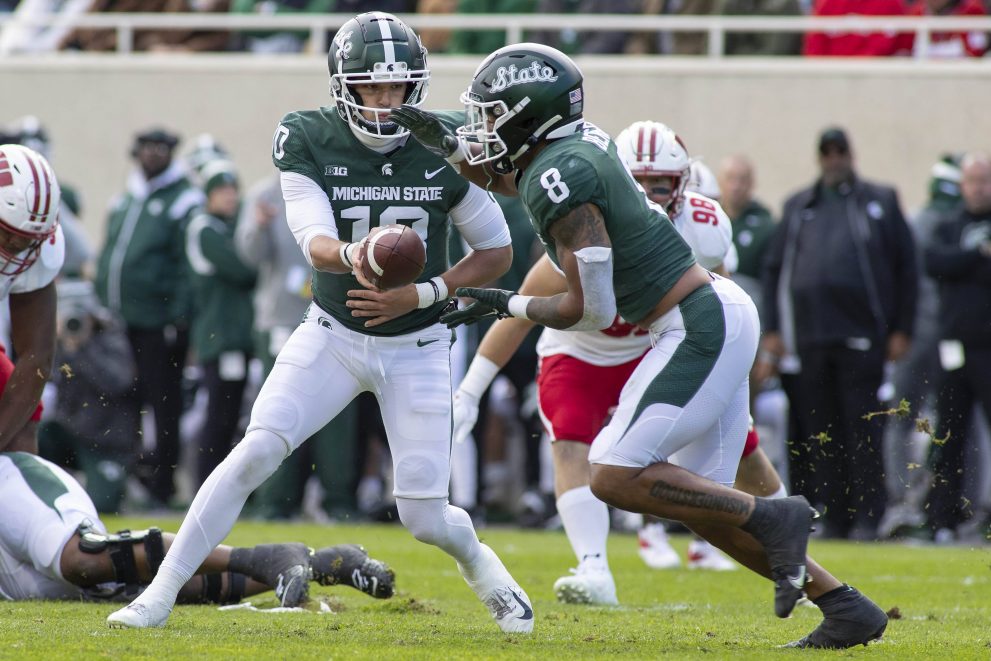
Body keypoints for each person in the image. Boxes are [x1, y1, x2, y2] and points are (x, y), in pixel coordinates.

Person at [392, 43, 888, 648]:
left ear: (527, 117)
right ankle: (845, 607)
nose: (482, 130)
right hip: (708, 315)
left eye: (492, 116)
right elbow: (496, 171)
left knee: (610, 472)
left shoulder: (561, 179)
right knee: (703, 510)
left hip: (696, 322)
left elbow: (592, 310)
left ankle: (773, 514)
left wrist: (502, 303)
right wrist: (436, 135)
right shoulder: (560, 153)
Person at [108, 12, 533, 634]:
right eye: (372, 87)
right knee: (254, 451)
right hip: (332, 333)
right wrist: (356, 256)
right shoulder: (307, 135)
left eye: (399, 87)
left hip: (417, 342)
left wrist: (423, 292)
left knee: (423, 517)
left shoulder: (442, 142)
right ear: (343, 85)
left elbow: (497, 251)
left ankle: (483, 565)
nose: (387, 102)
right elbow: (311, 237)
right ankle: (160, 594)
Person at [759, 127, 918, 540]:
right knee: (820, 432)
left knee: (862, 427)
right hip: (811, 338)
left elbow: (907, 268)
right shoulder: (799, 205)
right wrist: (774, 327)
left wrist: (901, 328)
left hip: (864, 336)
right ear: (818, 158)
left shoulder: (878, 201)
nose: (834, 160)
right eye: (826, 153)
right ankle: (832, 514)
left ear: (851, 154)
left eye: (839, 152)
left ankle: (869, 514)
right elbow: (775, 269)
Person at [0, 450, 395, 604]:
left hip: (11, 482)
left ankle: (265, 557)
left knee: (81, 559)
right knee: (137, 588)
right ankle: (321, 563)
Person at [234, 174, 361, 520]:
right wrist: (259, 227)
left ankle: (338, 502)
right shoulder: (266, 193)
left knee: (338, 414)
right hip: (281, 320)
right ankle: (275, 502)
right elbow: (249, 256)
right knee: (279, 410)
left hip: (337, 315)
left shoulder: (343, 185)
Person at [95, 127, 203, 506]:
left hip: (157, 321)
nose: (153, 155)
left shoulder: (182, 200)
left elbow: (185, 264)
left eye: (161, 148)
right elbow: (110, 252)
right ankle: (126, 473)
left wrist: (177, 316)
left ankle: (163, 480)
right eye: (147, 148)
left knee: (163, 400)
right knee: (121, 397)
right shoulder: (125, 198)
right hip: (118, 320)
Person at [922, 152, 991, 541]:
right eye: (972, 181)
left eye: (984, 180)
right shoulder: (950, 224)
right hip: (953, 347)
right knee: (949, 435)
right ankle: (941, 518)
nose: (978, 188)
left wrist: (964, 265)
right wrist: (977, 256)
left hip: (988, 347)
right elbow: (935, 262)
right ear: (962, 185)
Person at [38, 280, 141, 513]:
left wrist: (84, 349)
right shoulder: (60, 343)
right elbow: (52, 380)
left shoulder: (110, 337)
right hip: (71, 432)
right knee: (39, 435)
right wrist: (64, 346)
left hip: (106, 441)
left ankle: (117, 481)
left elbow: (118, 383)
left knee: (103, 505)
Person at [185, 162, 257, 487]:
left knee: (230, 419)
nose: (229, 197)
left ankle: (223, 487)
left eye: (233, 190)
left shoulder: (231, 227)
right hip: (220, 339)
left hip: (238, 338)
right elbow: (244, 270)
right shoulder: (206, 228)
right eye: (221, 191)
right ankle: (204, 486)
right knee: (218, 416)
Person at [0, 144, 64, 455]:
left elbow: (37, 356)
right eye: (7, 235)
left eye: (26, 241)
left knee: (22, 416)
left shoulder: (43, 247)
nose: (15, 248)